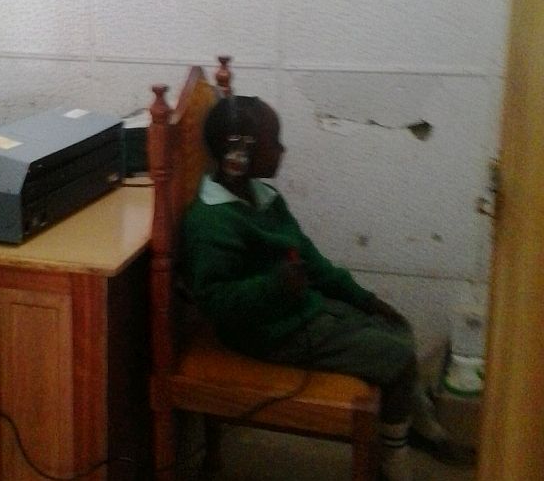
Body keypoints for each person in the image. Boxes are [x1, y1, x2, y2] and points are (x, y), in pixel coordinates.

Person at [179, 96, 452, 481]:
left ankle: (415, 427)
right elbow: (216, 301)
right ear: (238, 152)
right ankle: (393, 460)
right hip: (266, 333)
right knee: (395, 357)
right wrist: (274, 286)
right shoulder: (211, 223)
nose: (282, 149)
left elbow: (314, 264)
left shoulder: (265, 199)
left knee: (398, 329)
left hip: (298, 310)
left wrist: (364, 299)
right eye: (274, 141)